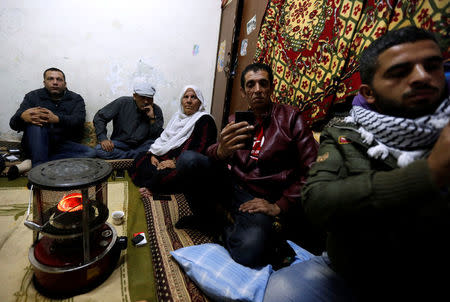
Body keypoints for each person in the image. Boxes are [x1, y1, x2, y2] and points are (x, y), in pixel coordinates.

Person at [263, 26, 450, 302]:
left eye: (432, 67)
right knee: (280, 289)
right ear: (369, 93)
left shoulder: (290, 117)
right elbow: (318, 198)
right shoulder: (346, 133)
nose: (422, 77)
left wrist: (278, 205)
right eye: (400, 72)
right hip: (350, 271)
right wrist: (430, 173)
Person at [175, 63, 321, 268]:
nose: (258, 89)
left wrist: (280, 205)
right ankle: (215, 218)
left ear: (271, 87)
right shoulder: (236, 119)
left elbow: (313, 170)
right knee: (187, 160)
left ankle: (219, 226)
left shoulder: (290, 118)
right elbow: (213, 153)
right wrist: (220, 151)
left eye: (263, 83)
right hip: (232, 185)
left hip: (262, 199)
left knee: (249, 250)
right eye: (251, 85)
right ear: (243, 92)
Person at [129, 85, 217, 198]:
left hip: (185, 164)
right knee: (141, 157)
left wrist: (175, 162)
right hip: (166, 157)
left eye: (193, 97)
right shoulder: (177, 117)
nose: (189, 101)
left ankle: (154, 188)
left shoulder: (205, 120)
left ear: (200, 102)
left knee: (168, 174)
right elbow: (164, 139)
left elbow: (202, 149)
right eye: (186, 97)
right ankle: (154, 183)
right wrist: (154, 155)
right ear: (182, 100)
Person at [9, 67, 95, 168]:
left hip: (61, 144)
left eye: (59, 79)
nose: (55, 82)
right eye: (50, 79)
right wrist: (22, 116)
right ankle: (39, 172)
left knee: (90, 153)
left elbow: (78, 121)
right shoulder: (32, 96)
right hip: (36, 143)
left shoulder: (76, 99)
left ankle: (33, 162)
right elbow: (13, 124)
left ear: (65, 84)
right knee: (36, 123)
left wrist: (57, 119)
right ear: (44, 82)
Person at [93, 82, 164, 159]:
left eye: (149, 98)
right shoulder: (122, 102)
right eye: (142, 98)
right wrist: (103, 138)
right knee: (99, 149)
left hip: (142, 145)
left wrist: (152, 118)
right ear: (134, 96)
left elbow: (156, 137)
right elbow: (100, 117)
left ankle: (130, 156)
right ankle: (138, 156)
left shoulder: (156, 110)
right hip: (121, 144)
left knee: (159, 147)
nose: (146, 101)